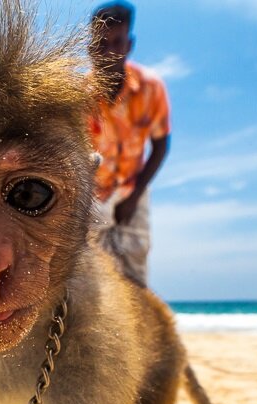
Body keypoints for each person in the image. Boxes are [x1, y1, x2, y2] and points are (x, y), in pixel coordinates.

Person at [88, 1, 171, 287]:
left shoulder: (151, 87)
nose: (109, 52)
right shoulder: (80, 97)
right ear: (90, 48)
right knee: (89, 271)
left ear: (129, 45)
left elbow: (161, 145)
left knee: (134, 267)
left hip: (133, 187)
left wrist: (133, 197)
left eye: (117, 42)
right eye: (101, 44)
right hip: (91, 193)